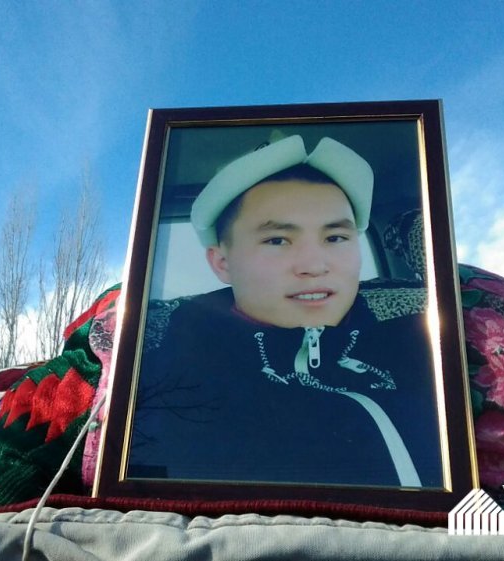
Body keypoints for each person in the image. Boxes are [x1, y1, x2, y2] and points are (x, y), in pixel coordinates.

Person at [128, 135, 442, 488]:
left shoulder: (431, 345)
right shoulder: (159, 382)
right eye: (277, 240)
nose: (314, 266)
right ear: (222, 263)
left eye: (335, 238)